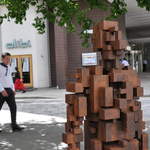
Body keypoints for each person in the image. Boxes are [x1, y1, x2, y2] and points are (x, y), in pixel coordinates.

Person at [0, 53, 24, 132]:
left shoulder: (9, 67)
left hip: (9, 90)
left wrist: (13, 89)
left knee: (13, 107)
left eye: (9, 59)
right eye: (7, 59)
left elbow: (10, 79)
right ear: (2, 59)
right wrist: (2, 90)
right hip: (1, 91)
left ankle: (14, 125)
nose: (8, 60)